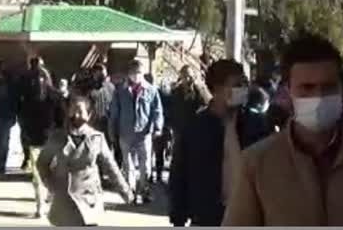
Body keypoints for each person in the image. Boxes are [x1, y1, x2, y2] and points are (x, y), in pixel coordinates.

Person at [221, 33, 343, 226]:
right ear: (289, 91)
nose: (318, 96)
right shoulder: (257, 165)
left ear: (341, 89)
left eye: (328, 87)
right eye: (307, 88)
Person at [169, 60, 274, 226]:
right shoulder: (195, 128)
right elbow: (179, 173)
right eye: (236, 85)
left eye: (244, 83)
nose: (243, 89)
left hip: (249, 216)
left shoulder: (257, 125)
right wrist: (178, 216)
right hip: (207, 216)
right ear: (217, 89)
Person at [37, 95, 133, 226]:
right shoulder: (58, 137)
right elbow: (42, 163)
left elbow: (111, 167)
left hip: (89, 198)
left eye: (80, 111)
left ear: (89, 115)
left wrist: (125, 191)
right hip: (64, 199)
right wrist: (51, 184)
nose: (76, 115)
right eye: (73, 110)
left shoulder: (96, 138)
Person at [109, 60, 164, 204]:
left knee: (145, 164)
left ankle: (143, 190)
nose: (136, 76)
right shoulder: (120, 90)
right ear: (129, 74)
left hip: (143, 134)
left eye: (138, 73)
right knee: (128, 164)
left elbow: (157, 111)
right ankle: (131, 191)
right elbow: (114, 112)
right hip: (125, 133)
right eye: (133, 73)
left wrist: (157, 128)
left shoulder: (151, 90)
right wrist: (112, 131)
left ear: (143, 73)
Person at [17, 65, 66, 217]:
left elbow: (62, 118)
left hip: (52, 140)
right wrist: (25, 135)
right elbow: (22, 117)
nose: (39, 80)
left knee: (51, 173)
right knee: (37, 175)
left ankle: (51, 197)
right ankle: (40, 206)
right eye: (36, 77)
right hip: (34, 140)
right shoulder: (27, 97)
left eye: (42, 77)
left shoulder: (55, 96)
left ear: (47, 78)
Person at [169, 66, 202, 150]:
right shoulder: (176, 91)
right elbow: (172, 107)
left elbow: (204, 105)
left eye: (188, 76)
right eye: (184, 76)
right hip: (179, 128)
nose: (186, 79)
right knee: (178, 152)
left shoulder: (198, 91)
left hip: (194, 128)